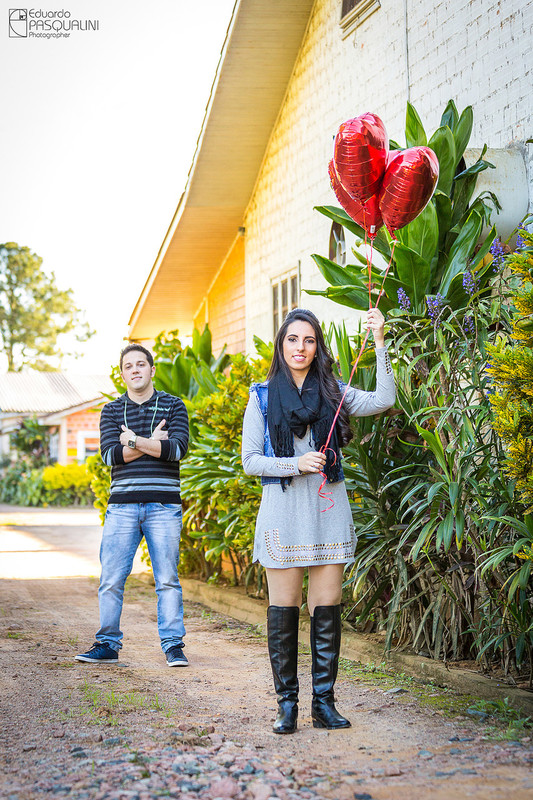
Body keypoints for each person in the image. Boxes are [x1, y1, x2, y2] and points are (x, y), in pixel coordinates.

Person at [242, 307, 395, 733]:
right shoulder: (261, 396)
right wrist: (295, 463)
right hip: (283, 515)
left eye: (309, 340)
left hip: (328, 512)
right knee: (284, 609)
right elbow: (251, 461)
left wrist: (380, 341)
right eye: (293, 339)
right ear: (281, 344)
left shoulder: (334, 392)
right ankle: (287, 705)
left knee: (326, 608)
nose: (300, 348)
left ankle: (323, 703)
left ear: (317, 347)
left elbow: (385, 399)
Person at [76, 344, 190, 667]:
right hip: (122, 507)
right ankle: (107, 644)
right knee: (111, 578)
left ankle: (173, 646)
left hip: (164, 506)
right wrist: (152, 442)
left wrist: (133, 441)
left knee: (167, 578)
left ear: (152, 370)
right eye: (129, 366)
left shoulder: (174, 405)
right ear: (123, 373)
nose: (136, 370)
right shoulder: (111, 411)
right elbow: (111, 456)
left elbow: (176, 450)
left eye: (142, 364)